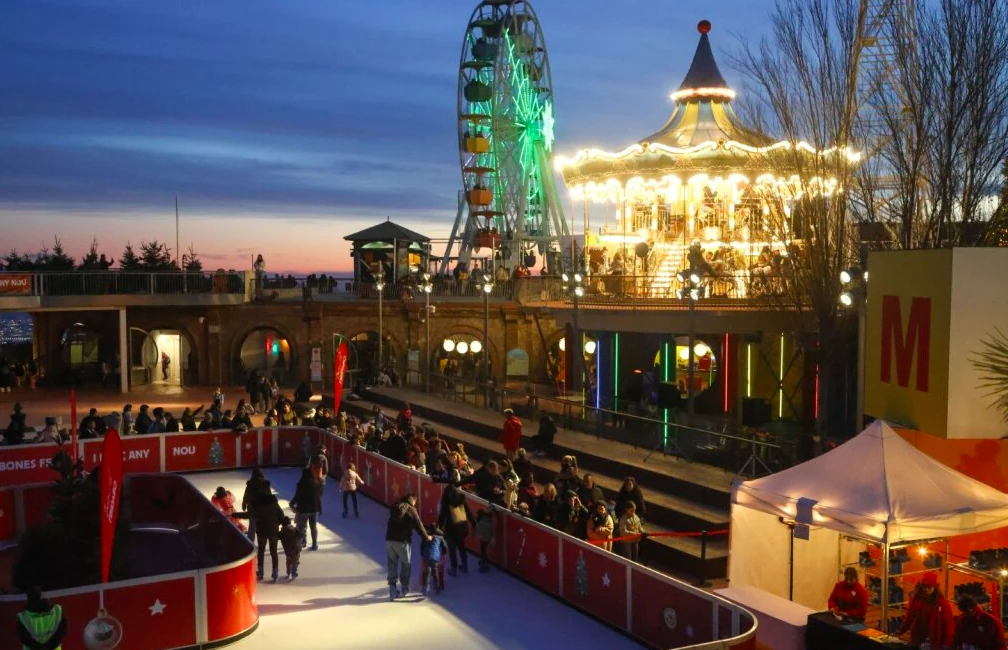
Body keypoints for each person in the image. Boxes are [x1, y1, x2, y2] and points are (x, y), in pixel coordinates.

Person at [385, 493, 430, 601]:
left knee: (392, 563)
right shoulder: (411, 510)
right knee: (406, 564)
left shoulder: (395, 507)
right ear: (413, 500)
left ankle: (392, 589)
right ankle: (404, 587)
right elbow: (419, 525)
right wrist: (426, 537)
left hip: (390, 539)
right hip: (403, 541)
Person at [898, 571, 955, 649]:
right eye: (924, 586)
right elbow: (910, 616)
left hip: (932, 636)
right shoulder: (916, 599)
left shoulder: (941, 603)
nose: (926, 589)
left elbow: (947, 622)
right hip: (918, 635)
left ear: (935, 587)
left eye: (929, 587)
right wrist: (901, 630)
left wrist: (947, 643)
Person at [438, 472, 476, 576]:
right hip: (462, 527)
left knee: (452, 548)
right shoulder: (461, 499)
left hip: (451, 528)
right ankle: (464, 565)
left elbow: (442, 516)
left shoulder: (446, 501)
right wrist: (473, 524)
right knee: (461, 546)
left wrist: (438, 527)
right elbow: (468, 512)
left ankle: (454, 568)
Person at [17, 585, 67, 650]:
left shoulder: (23, 616)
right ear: (42, 594)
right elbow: (62, 633)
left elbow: (26, 639)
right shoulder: (58, 611)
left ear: (28, 597)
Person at [252, 491, 284, 582]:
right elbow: (282, 517)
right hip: (274, 532)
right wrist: (276, 524)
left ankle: (261, 571)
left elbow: (252, 516)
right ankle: (275, 573)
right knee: (274, 552)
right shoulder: (275, 506)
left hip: (261, 532)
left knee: (261, 551)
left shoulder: (259, 507)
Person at [291, 468, 321, 551]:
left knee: (301, 526)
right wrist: (319, 507)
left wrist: (292, 504)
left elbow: (297, 496)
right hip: (314, 509)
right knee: (313, 527)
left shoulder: (301, 484)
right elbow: (318, 497)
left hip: (303, 509)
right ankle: (315, 544)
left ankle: (302, 542)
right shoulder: (316, 483)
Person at [242, 468, 272, 542]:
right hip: (263, 509)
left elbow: (246, 495)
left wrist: (244, 503)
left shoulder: (250, 484)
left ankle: (250, 543)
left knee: (252, 526)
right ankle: (261, 542)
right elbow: (269, 496)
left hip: (252, 508)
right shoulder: (265, 484)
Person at [420, 523, 448, 596]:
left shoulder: (425, 537)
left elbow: (422, 547)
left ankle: (425, 587)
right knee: (435, 571)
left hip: (426, 557)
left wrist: (423, 555)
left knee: (427, 571)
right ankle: (437, 587)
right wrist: (443, 553)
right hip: (436, 557)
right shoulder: (440, 537)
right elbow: (445, 547)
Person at [278, 516, 302, 581]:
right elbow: (301, 535)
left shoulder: (282, 532)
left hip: (288, 550)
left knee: (289, 561)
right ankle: (294, 572)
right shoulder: (295, 529)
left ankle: (288, 572)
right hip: (296, 548)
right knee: (295, 561)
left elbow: (278, 536)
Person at [475, 509, 495, 573]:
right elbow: (492, 531)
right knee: (484, 550)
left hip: (483, 537)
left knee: (483, 550)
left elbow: (479, 529)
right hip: (487, 538)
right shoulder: (490, 522)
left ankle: (484, 564)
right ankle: (484, 562)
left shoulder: (482, 521)